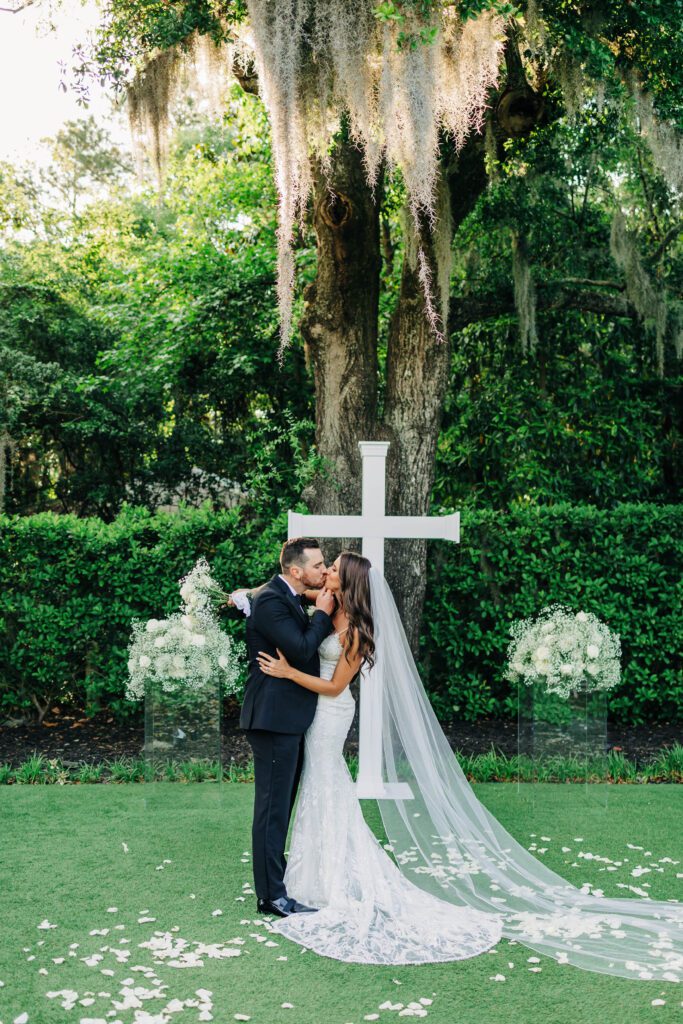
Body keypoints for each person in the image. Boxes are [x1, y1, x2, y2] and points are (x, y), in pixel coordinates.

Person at [253, 552, 683, 979]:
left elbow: (333, 685)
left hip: (330, 712)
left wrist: (289, 673)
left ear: (345, 581)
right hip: (312, 716)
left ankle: (329, 878)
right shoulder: (328, 607)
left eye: (332, 568)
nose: (324, 572)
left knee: (327, 783)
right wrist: (247, 595)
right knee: (320, 785)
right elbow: (291, 597)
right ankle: (311, 875)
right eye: (321, 566)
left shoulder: (358, 630)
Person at [240, 537, 335, 919]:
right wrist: (323, 614)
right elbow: (300, 648)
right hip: (272, 719)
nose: (323, 571)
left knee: (280, 807)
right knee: (271, 809)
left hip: (287, 719)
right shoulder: (271, 601)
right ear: (296, 571)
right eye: (317, 566)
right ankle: (271, 897)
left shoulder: (284, 595)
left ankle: (275, 888)